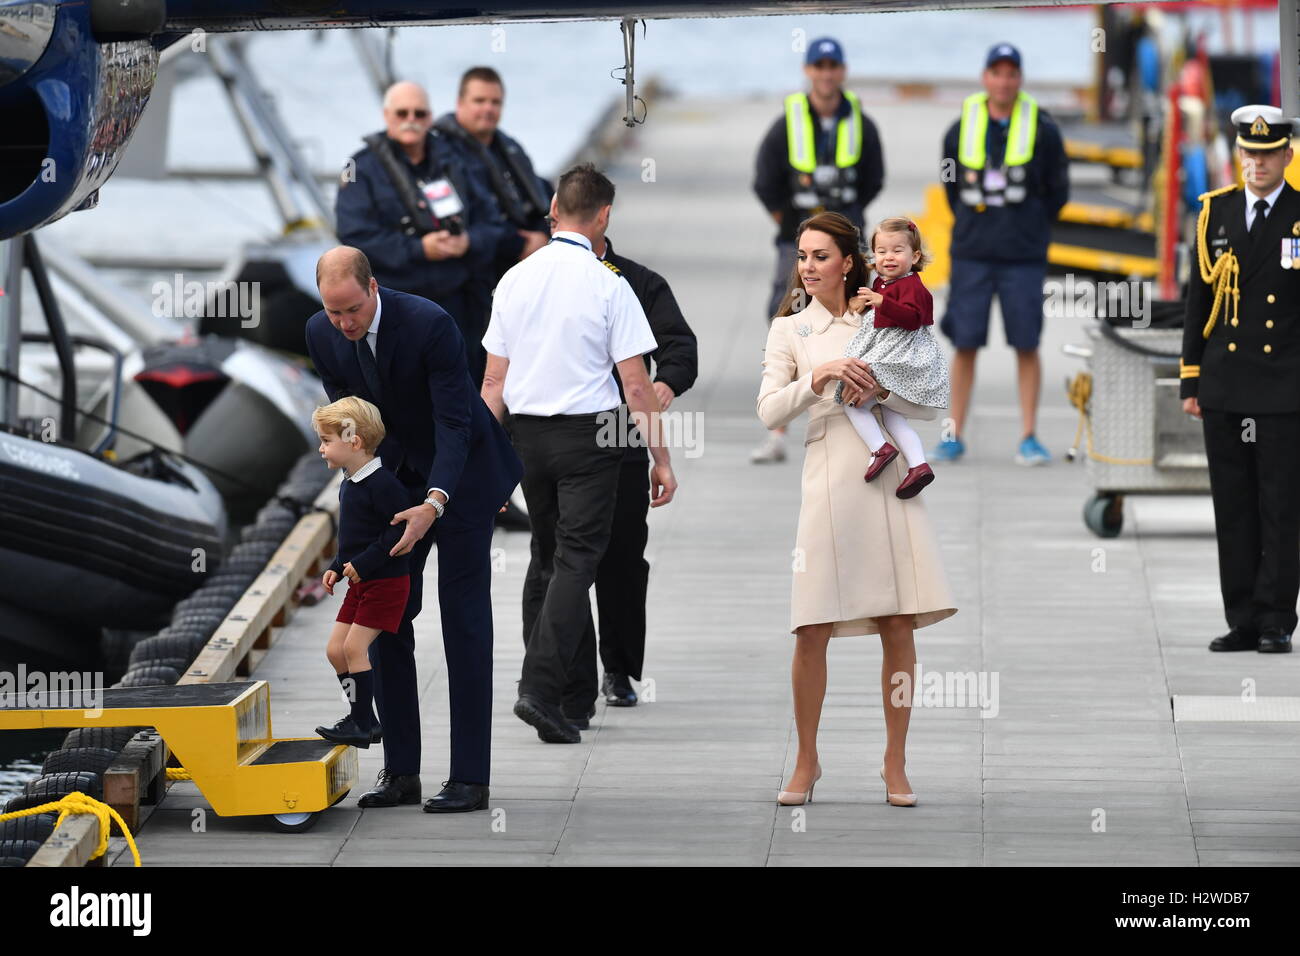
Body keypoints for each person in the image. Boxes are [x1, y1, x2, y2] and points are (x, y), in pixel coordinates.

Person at [305, 246, 523, 813]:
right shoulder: (321, 335)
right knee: (388, 616)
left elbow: (455, 423)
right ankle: (401, 770)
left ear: (373, 288)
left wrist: (436, 500)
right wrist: (370, 498)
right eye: (334, 313)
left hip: (464, 478)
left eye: (352, 309)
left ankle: (470, 779)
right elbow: (354, 424)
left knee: (463, 619)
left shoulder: (429, 324)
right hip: (393, 482)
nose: (345, 324)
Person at [756, 211, 956, 808]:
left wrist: (882, 391)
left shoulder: (889, 311)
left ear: (849, 262)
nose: (808, 267)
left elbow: (927, 400)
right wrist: (819, 376)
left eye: (820, 256)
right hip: (827, 478)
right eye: (802, 256)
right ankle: (806, 760)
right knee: (810, 624)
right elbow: (769, 412)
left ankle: (895, 762)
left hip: (890, 476)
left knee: (898, 622)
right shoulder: (789, 329)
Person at [480, 164, 678, 744]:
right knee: (576, 561)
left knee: (547, 555)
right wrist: (661, 459)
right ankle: (540, 689)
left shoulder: (515, 279)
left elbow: (493, 383)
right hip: (591, 438)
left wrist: (482, 466)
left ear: (553, 210)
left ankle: (568, 703)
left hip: (527, 440)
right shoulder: (608, 283)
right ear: (604, 216)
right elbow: (637, 387)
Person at [563, 234, 698, 725]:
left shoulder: (636, 282)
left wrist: (668, 380)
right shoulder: (538, 278)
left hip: (618, 427)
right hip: (555, 433)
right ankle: (564, 673)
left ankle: (618, 670)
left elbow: (679, 344)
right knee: (560, 561)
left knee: (620, 557)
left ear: (600, 218)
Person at [1181, 105, 1300, 655]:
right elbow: (1197, 302)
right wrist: (1190, 379)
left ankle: (1277, 618)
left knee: (1280, 505)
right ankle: (1243, 618)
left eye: (1268, 154)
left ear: (1287, 155)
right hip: (1226, 384)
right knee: (1233, 505)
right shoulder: (1216, 214)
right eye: (1249, 154)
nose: (1257, 163)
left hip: (1283, 386)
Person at [751, 36, 884, 465]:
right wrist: (789, 225)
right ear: (809, 70)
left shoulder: (861, 123)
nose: (827, 73)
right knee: (787, 321)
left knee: (856, 321)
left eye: (833, 65)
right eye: (819, 65)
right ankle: (777, 431)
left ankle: (859, 419)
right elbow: (765, 180)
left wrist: (848, 223)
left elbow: (873, 178)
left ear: (842, 71)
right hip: (798, 242)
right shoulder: (786, 122)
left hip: (846, 244)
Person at [935, 43, 1069, 465]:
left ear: (1020, 79)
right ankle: (953, 433)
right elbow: (951, 185)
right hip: (973, 252)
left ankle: (1029, 435)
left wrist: (1028, 223)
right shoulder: (958, 129)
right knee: (965, 343)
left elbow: (1058, 190)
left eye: (1012, 73)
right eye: (997, 72)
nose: (1005, 81)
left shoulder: (1044, 130)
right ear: (985, 77)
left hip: (1023, 255)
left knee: (1026, 343)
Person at [336, 80, 510, 386]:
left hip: (459, 306)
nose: (411, 121)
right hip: (398, 307)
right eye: (402, 113)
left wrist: (468, 241)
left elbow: (493, 224)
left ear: (430, 117)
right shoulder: (359, 168)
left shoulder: (456, 161)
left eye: (419, 114)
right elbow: (353, 237)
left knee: (461, 394)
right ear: (387, 115)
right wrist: (419, 249)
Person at [311, 397, 411, 747]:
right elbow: (355, 536)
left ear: (353, 442)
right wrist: (337, 567)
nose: (321, 449)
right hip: (360, 582)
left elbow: (398, 530)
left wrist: (363, 563)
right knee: (335, 650)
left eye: (326, 441)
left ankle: (359, 721)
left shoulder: (382, 484)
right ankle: (364, 718)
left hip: (385, 583)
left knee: (355, 649)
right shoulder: (350, 482)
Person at [834, 217, 949, 497]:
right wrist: (864, 304)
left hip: (898, 352)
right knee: (893, 416)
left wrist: (883, 303)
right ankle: (919, 465)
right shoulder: (882, 282)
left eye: (898, 251)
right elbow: (876, 311)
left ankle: (880, 449)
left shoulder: (913, 286)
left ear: (915, 256)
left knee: (851, 400)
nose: (888, 257)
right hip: (888, 347)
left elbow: (912, 319)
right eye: (882, 251)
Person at [435, 66, 552, 290]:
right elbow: (465, 216)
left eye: (495, 102)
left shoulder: (509, 147)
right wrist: (522, 244)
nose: (488, 108)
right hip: (474, 272)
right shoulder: (440, 153)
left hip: (525, 263)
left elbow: (541, 192)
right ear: (460, 103)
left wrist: (542, 235)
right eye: (479, 101)